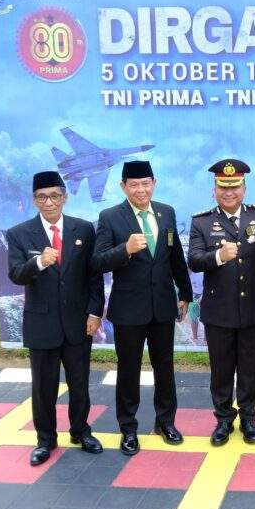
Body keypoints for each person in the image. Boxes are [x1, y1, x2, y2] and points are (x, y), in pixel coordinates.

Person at [92, 160, 193, 454]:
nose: (140, 190)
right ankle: (128, 428)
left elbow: (176, 257)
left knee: (165, 367)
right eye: (134, 185)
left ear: (154, 184)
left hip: (162, 305)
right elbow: (97, 262)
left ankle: (166, 422)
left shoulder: (166, 212)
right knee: (129, 370)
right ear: (123, 187)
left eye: (145, 183)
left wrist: (185, 292)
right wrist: (124, 249)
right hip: (128, 309)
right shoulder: (110, 217)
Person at [6, 171, 105, 466]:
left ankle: (81, 431)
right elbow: (16, 275)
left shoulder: (83, 229)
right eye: (41, 197)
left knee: (80, 383)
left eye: (54, 196)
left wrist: (94, 312)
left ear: (64, 197)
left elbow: (93, 275)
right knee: (43, 387)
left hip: (78, 323)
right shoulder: (19, 233)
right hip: (42, 323)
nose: (48, 202)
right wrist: (38, 262)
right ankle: (45, 440)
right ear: (34, 200)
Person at [187, 159, 255, 446]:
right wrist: (218, 256)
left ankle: (249, 418)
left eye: (234, 187)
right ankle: (224, 419)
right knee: (221, 369)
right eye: (223, 187)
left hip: (252, 306)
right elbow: (194, 260)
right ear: (214, 189)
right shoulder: (201, 221)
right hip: (218, 310)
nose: (229, 193)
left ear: (244, 188)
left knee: (249, 367)